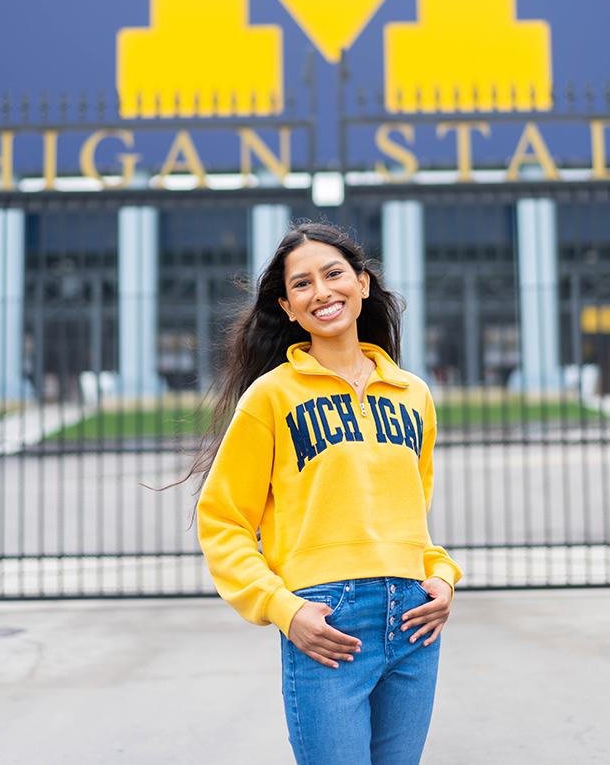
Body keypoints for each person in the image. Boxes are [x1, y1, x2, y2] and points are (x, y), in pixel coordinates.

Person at [193, 221, 462, 765]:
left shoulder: (415, 395)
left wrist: (440, 575)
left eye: (333, 273)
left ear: (363, 283)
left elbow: (413, 515)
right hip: (327, 618)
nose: (321, 291)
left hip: (413, 619)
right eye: (302, 284)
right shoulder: (270, 397)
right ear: (289, 308)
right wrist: (282, 608)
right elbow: (222, 518)